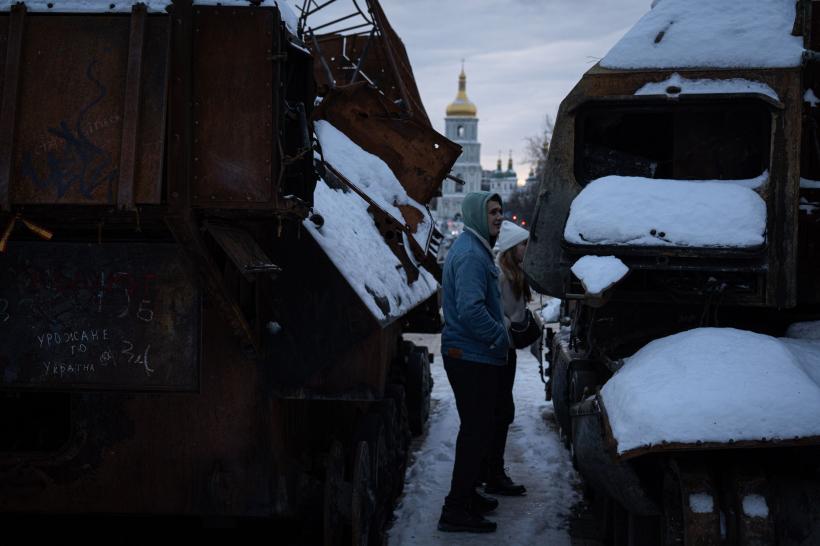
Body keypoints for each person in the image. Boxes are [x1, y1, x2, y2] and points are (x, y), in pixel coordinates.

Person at [438, 192, 508, 533]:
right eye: (492, 211)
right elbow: (470, 309)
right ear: (477, 215)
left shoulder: (476, 248)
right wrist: (500, 335)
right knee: (475, 433)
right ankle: (455, 509)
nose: (499, 217)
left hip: (474, 355)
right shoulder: (470, 255)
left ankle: (467, 497)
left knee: (479, 432)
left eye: (500, 211)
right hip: (470, 355)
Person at [481, 220, 532, 497]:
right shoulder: (501, 275)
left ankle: (490, 469)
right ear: (513, 248)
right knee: (499, 411)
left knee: (502, 410)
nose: (528, 249)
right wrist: (512, 328)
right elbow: (494, 312)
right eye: (524, 244)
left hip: (506, 350)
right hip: (499, 350)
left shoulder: (516, 274)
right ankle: (493, 473)